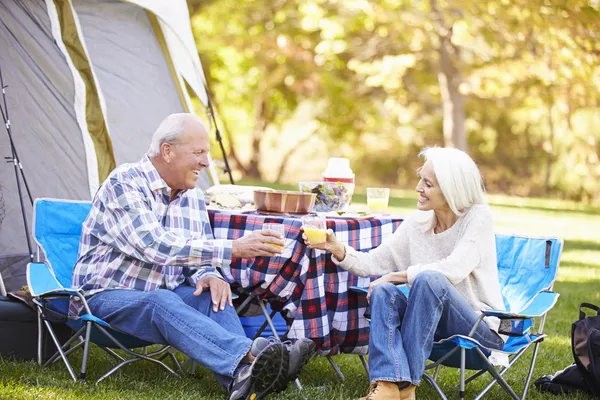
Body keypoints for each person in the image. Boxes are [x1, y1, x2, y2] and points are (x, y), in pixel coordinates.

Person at [71, 113, 315, 400]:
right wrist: (233, 249)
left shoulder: (193, 195)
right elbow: (153, 246)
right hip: (104, 296)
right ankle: (253, 353)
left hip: (167, 295)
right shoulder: (125, 183)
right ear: (167, 151)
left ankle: (242, 383)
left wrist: (209, 274)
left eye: (207, 153)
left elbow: (199, 253)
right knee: (161, 300)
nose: (206, 162)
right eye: (198, 152)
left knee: (215, 295)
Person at [304, 147, 506, 400]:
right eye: (421, 179)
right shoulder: (417, 223)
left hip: (477, 329)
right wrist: (339, 249)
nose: (418, 188)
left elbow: (453, 270)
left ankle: (403, 387)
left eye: (428, 183)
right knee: (383, 291)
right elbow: (372, 263)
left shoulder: (478, 218)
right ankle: (389, 385)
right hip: (428, 327)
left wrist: (398, 275)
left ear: (452, 189)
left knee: (429, 279)